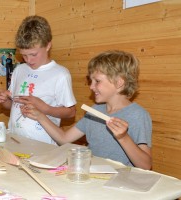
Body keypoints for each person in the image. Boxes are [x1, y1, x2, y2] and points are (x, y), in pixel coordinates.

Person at [21, 50, 152, 170]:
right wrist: (40, 116)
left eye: (97, 81)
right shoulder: (95, 111)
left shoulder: (138, 115)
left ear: (119, 83)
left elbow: (145, 165)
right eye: (90, 81)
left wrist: (123, 137)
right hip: (92, 178)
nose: (91, 86)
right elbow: (64, 139)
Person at [0, 15, 77, 145]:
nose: (29, 60)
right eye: (24, 55)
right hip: (15, 140)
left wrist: (44, 108)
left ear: (48, 46)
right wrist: (5, 100)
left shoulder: (60, 74)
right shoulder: (19, 70)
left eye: (33, 54)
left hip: (44, 145)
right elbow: (13, 106)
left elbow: (71, 112)